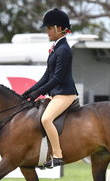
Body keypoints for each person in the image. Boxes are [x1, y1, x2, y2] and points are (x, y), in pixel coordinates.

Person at [22, 8, 78, 168]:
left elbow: (58, 78)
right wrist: (30, 91)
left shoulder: (64, 50)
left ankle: (58, 155)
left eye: (48, 28)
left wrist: (38, 93)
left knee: (46, 119)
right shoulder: (56, 48)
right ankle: (42, 154)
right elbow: (47, 75)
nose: (47, 32)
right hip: (56, 94)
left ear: (58, 29)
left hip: (65, 94)